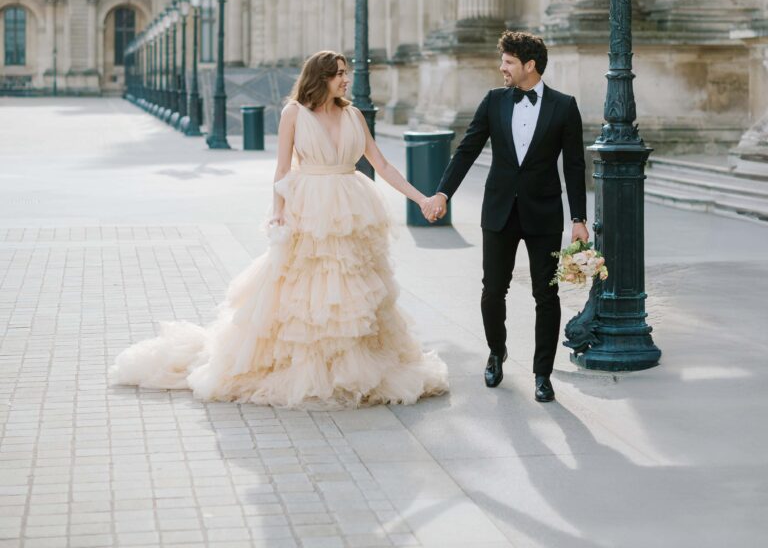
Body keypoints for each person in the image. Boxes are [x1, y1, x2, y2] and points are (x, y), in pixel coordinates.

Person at [109, 50, 448, 408]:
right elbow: (283, 170)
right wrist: (278, 214)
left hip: (351, 207)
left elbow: (381, 163)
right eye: (337, 74)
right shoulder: (294, 113)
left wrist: (420, 197)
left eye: (345, 73)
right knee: (305, 289)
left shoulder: (353, 114)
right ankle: (310, 366)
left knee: (353, 287)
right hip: (310, 209)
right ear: (319, 78)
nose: (345, 79)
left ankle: (350, 365)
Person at [423, 31, 587, 403]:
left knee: (546, 295)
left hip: (544, 213)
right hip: (498, 211)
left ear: (530, 66)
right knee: (493, 290)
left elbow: (575, 166)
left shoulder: (564, 107)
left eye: (509, 62)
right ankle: (496, 352)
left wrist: (579, 217)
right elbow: (467, 149)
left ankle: (542, 373)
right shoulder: (494, 101)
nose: (502, 68)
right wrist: (443, 192)